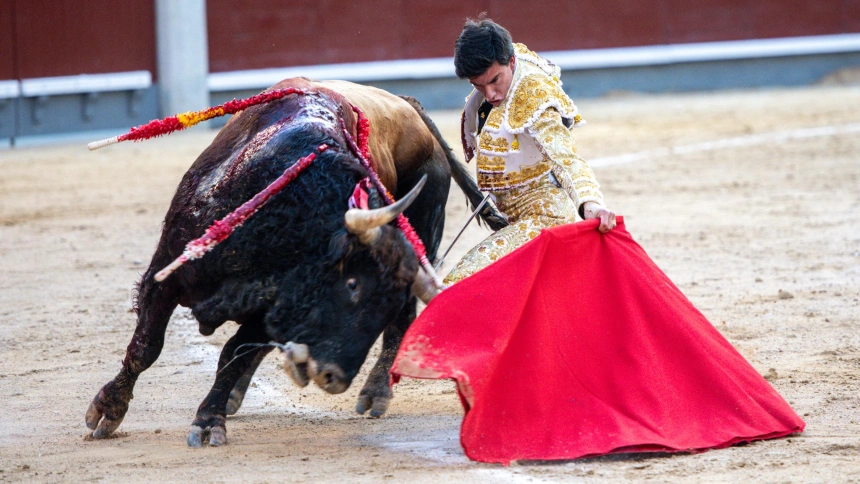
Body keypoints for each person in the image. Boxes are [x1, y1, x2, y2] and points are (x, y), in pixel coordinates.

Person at [444, 18, 616, 285]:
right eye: (478, 86)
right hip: (514, 217)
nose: (490, 94)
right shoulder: (504, 65)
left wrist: (591, 204)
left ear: (511, 62)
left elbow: (565, 157)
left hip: (545, 218)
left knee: (462, 282)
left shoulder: (534, 95)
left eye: (494, 81)